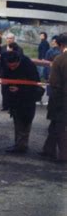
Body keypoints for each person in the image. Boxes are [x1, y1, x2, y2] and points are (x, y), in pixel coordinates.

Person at [0, 51, 40, 154]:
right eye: (10, 66)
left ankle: (21, 146)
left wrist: (20, 89)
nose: (12, 68)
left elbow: (35, 83)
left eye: (14, 66)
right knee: (17, 121)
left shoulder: (29, 65)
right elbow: (4, 77)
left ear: (19, 61)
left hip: (27, 99)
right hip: (15, 99)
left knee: (25, 121)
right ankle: (19, 144)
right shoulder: (5, 63)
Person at [39, 33, 67, 163]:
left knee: (60, 127)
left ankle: (63, 155)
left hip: (61, 99)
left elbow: (54, 82)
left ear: (61, 45)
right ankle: (48, 149)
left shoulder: (59, 59)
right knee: (54, 126)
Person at [0, 33, 23, 111]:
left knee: (13, 89)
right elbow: (0, 60)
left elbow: (19, 59)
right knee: (4, 90)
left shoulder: (19, 49)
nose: (9, 40)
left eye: (11, 38)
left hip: (14, 72)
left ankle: (12, 106)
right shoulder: (2, 48)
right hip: (4, 72)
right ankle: (5, 105)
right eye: (7, 38)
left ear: (14, 39)